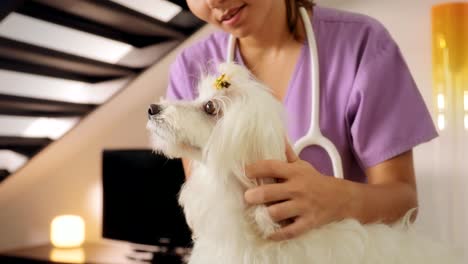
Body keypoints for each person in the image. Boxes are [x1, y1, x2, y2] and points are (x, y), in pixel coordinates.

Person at [165, 0, 438, 241]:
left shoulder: (361, 43)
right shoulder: (191, 68)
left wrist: (338, 199)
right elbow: (206, 212)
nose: (213, 0)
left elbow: (403, 201)